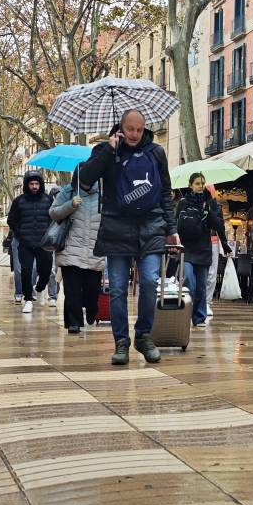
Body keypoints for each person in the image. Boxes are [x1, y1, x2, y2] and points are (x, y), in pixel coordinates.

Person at [79, 109, 178, 365]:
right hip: (116, 229)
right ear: (121, 128)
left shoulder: (156, 153)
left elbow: (165, 193)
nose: (135, 134)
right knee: (118, 289)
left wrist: (171, 229)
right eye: (130, 129)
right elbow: (84, 181)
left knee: (150, 281)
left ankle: (143, 336)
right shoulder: (105, 151)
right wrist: (107, 151)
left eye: (139, 129)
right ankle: (121, 342)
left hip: (151, 227)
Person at [49, 164, 104, 334]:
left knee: (92, 291)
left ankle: (92, 310)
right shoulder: (68, 191)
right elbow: (53, 213)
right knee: (72, 290)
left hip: (94, 249)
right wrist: (70, 205)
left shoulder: (103, 193)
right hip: (70, 249)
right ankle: (74, 322)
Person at [175, 172, 229, 328]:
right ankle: (186, 312)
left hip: (203, 248)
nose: (200, 186)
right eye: (197, 183)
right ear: (190, 185)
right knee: (188, 281)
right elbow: (175, 223)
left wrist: (225, 244)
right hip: (186, 249)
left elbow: (219, 225)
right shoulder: (183, 203)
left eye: (202, 183)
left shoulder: (210, 203)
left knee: (201, 286)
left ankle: (199, 317)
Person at [7, 170, 53, 313]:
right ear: (27, 185)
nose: (34, 186)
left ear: (40, 185)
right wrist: (20, 235)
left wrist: (49, 234)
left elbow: (54, 218)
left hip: (43, 243)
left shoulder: (48, 200)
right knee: (26, 271)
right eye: (31, 184)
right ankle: (28, 299)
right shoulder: (18, 201)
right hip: (25, 244)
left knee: (46, 271)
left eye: (36, 184)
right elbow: (11, 220)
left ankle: (39, 288)